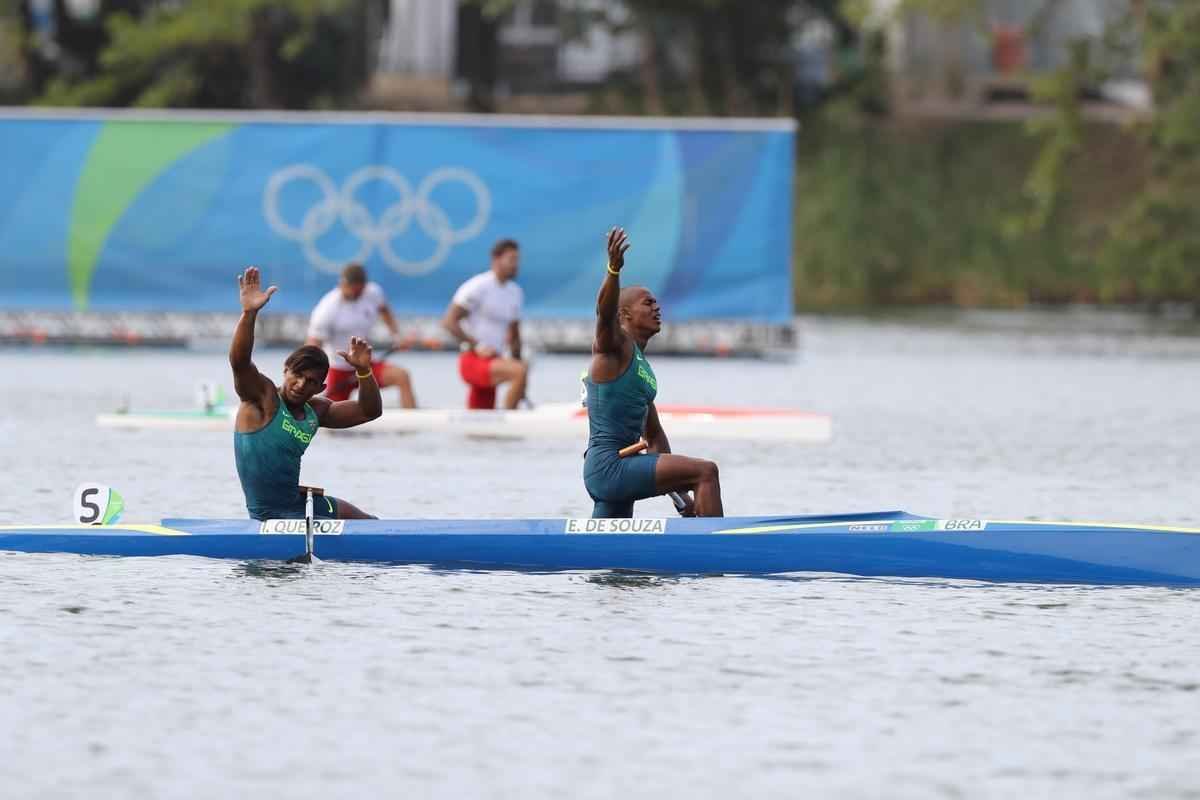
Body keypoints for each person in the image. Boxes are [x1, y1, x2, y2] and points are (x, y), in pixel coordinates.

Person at [582, 228, 723, 519]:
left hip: (620, 469)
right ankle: (719, 547)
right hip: (609, 468)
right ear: (625, 315)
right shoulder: (613, 346)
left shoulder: (642, 367)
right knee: (706, 472)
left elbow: (655, 436)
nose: (657, 308)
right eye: (648, 303)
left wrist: (681, 498)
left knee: (610, 547)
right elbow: (603, 314)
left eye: (657, 302)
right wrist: (613, 270)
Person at [232, 266, 381, 521]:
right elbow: (240, 362)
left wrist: (364, 372)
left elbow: (369, 411)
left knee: (371, 524)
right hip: (268, 516)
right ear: (286, 370)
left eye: (311, 381)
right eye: (297, 375)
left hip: (300, 504)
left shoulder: (317, 411)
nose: (301, 384)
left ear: (321, 387)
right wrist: (249, 314)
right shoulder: (261, 397)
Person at [306, 263, 417, 408]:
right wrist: (309, 377)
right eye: (354, 290)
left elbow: (385, 310)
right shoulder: (326, 309)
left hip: (365, 365)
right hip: (339, 369)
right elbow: (313, 345)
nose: (357, 294)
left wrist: (397, 336)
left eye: (360, 290)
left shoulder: (373, 292)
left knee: (402, 376)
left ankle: (411, 419)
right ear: (343, 284)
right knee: (332, 414)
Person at [441, 238, 528, 409]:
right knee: (519, 371)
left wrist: (522, 384)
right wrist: (477, 346)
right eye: (511, 259)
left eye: (517, 260)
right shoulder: (478, 286)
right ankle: (509, 419)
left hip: (494, 360)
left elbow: (515, 338)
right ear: (496, 259)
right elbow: (449, 322)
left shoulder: (515, 293)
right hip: (473, 359)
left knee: (481, 416)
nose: (516, 265)